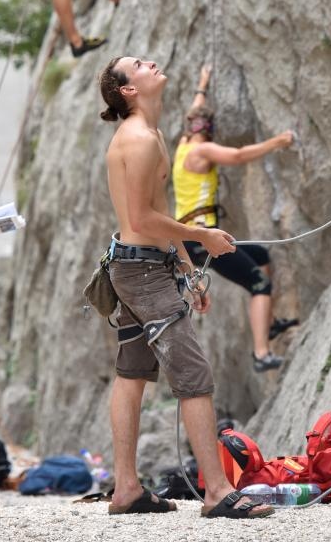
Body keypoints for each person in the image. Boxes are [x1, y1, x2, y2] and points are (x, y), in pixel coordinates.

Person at [98, 56, 274, 519]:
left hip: (141, 266)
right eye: (139, 64)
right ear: (129, 90)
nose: (151, 63)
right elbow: (140, 219)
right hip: (141, 273)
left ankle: (127, 491)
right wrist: (203, 238)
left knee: (132, 373)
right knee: (194, 376)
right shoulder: (137, 140)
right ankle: (216, 493)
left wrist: (186, 268)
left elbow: (158, 209)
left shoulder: (152, 135)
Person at [172, 65, 297, 372]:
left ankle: (267, 324)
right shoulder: (203, 151)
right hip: (199, 238)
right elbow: (239, 157)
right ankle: (261, 354)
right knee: (259, 283)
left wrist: (203, 82)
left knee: (261, 255)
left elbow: (195, 110)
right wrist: (278, 142)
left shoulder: (183, 145)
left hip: (194, 236)